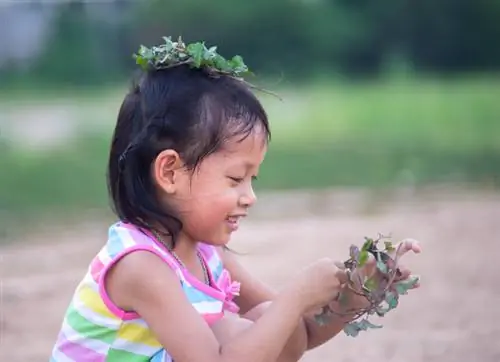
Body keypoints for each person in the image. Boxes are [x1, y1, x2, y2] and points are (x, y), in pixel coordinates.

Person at [49, 37, 421, 362]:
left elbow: (297, 337)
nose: (250, 197)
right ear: (170, 173)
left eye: (252, 179)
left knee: (262, 323)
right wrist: (295, 297)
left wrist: (357, 293)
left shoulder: (208, 255)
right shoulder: (140, 266)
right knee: (240, 330)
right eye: (235, 179)